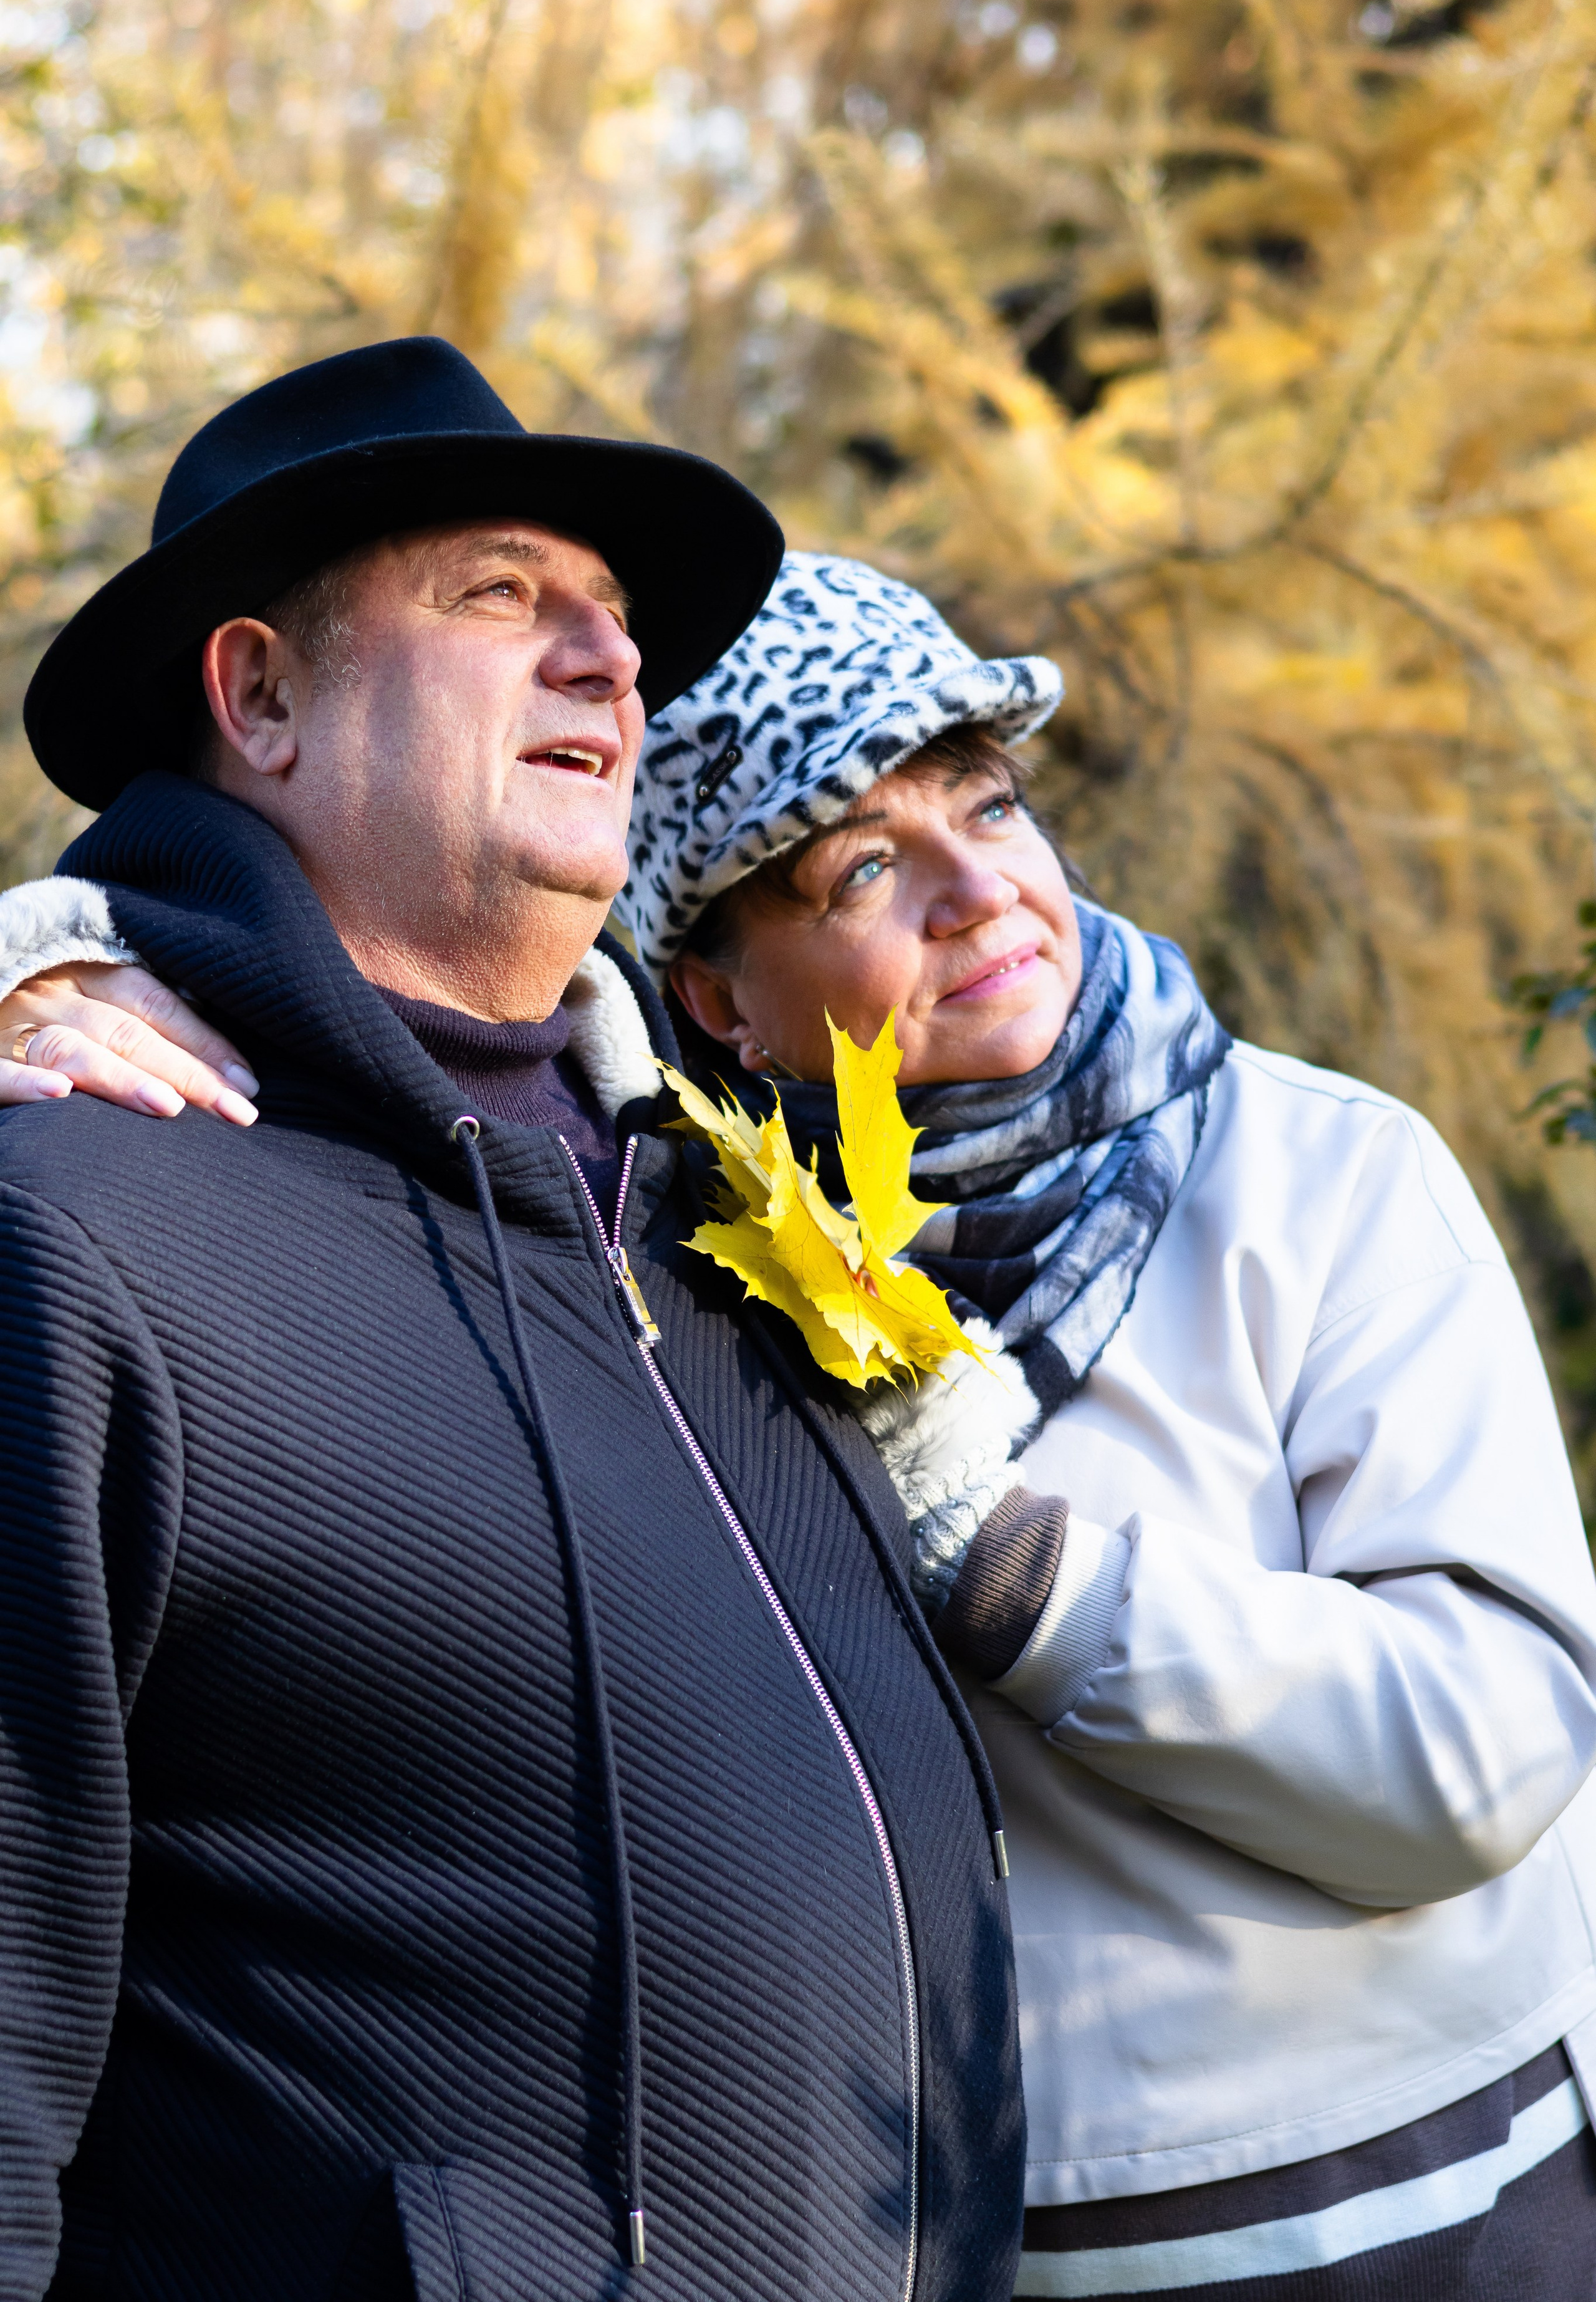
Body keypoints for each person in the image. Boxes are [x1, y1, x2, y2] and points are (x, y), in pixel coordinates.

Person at [27, 546, 1596, 2299]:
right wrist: (59, 953)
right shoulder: (683, 1244)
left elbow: (1485, 1749)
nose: (978, 891)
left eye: (990, 805)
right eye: (862, 864)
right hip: (1003, 2245)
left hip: (1429, 2205)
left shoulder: (1319, 1173)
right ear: (716, 999)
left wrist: (1021, 1576)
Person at [0, 363, 1027, 2301]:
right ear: (261, 696)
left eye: (617, 624)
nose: (609, 663)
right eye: (500, 593)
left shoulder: (727, 1230)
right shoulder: (75, 1223)